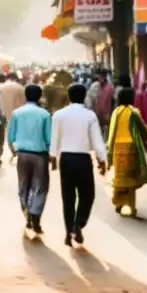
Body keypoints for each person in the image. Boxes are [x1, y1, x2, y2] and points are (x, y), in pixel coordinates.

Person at [51, 82, 107, 247]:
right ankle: (79, 223)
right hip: (83, 159)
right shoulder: (89, 116)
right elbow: (97, 140)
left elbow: (54, 138)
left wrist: (53, 158)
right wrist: (102, 160)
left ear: (69, 96)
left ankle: (68, 232)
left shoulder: (59, 115)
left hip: (66, 159)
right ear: (84, 96)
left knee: (68, 197)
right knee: (87, 195)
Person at [8, 84, 53, 234]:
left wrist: (14, 152)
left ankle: (26, 211)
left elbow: (11, 137)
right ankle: (35, 213)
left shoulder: (17, 113)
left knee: (23, 185)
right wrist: (52, 156)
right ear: (39, 97)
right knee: (40, 186)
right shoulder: (45, 114)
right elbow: (49, 138)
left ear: (25, 96)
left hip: (22, 154)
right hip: (40, 154)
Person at [107, 87, 147, 217]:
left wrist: (109, 150)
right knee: (131, 179)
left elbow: (111, 132)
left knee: (119, 177)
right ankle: (131, 207)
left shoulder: (116, 112)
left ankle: (118, 203)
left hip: (117, 147)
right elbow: (142, 128)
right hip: (131, 148)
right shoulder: (133, 112)